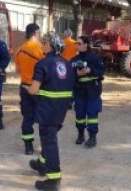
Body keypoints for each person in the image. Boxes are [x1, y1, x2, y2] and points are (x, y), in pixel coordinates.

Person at [26, 31, 75, 191]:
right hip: (60, 109)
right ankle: (42, 163)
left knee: (49, 142)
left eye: (43, 44)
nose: (42, 46)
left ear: (48, 45)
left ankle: (53, 179)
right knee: (50, 137)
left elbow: (34, 90)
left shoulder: (43, 64)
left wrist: (27, 88)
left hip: (47, 109)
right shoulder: (66, 63)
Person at [15, 23, 44, 155]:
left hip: (24, 87)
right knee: (43, 118)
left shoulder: (19, 50)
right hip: (38, 88)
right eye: (39, 33)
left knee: (27, 117)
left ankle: (28, 146)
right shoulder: (40, 49)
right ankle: (45, 146)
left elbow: (17, 71)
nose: (40, 35)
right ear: (35, 33)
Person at [71, 36, 105, 148]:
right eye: (77, 43)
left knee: (92, 114)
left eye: (79, 43)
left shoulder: (95, 58)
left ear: (86, 44)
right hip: (79, 91)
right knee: (79, 115)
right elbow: (69, 76)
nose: (77, 45)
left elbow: (101, 71)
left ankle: (92, 137)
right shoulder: (74, 60)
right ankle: (81, 134)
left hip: (93, 91)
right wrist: (77, 74)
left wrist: (90, 71)